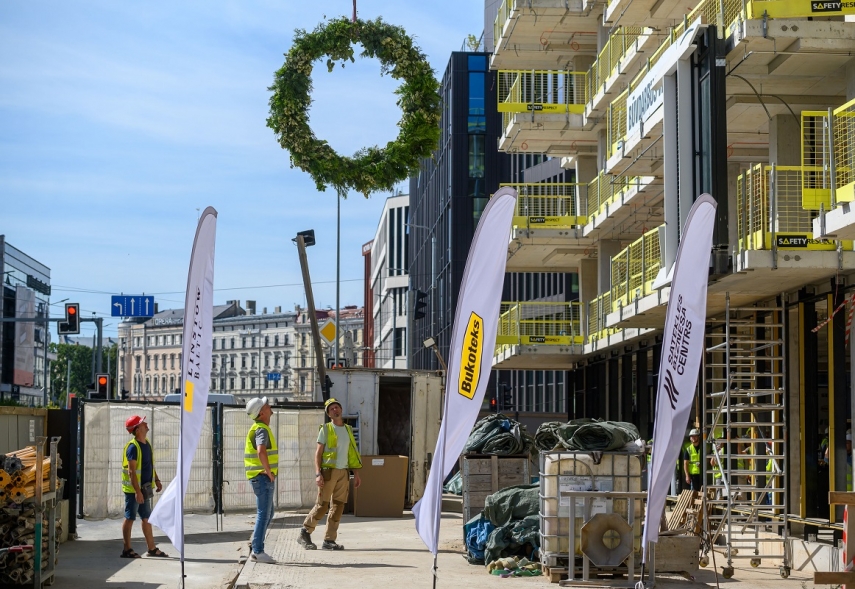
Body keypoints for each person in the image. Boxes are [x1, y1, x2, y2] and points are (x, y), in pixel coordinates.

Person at [298, 398, 362, 550]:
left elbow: (352, 453)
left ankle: (329, 540)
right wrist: (317, 473)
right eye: (332, 409)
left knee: (338, 507)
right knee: (322, 506)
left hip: (343, 473)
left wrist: (356, 473)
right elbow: (318, 454)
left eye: (337, 407)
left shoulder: (348, 429)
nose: (335, 410)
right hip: (328, 472)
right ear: (328, 414)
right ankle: (305, 532)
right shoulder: (326, 429)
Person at [121, 415, 166, 558]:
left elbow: (149, 465)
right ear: (138, 429)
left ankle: (152, 549)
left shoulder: (146, 443)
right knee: (130, 518)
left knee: (147, 517)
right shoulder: (133, 447)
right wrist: (137, 491)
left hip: (144, 489)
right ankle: (127, 549)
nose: (146, 424)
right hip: (134, 491)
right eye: (143, 423)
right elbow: (131, 472)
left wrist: (157, 479)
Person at [245, 396, 277, 564]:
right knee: (264, 514)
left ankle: (256, 545)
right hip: (262, 477)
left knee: (268, 513)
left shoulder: (260, 427)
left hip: (260, 476)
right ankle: (257, 551)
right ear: (262, 412)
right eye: (267, 404)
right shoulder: (261, 429)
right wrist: (268, 472)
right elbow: (261, 451)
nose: (270, 406)